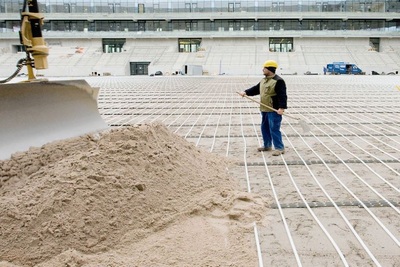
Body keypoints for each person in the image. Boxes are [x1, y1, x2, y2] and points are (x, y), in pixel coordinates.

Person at [239, 60, 287, 156]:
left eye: (264, 68)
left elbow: (282, 95)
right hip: (264, 109)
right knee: (264, 128)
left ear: (269, 69)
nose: (263, 70)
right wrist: (246, 92)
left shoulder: (278, 81)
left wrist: (282, 108)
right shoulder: (264, 80)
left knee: (274, 128)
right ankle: (267, 145)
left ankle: (279, 148)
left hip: (274, 110)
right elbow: (256, 89)